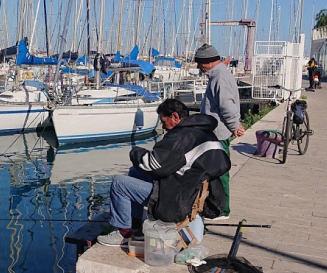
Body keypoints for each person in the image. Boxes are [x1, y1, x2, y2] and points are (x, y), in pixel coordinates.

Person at [97, 99, 231, 246]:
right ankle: (136, 226)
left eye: (164, 121)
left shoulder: (181, 137)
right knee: (135, 171)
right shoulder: (205, 133)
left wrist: (135, 151)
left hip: (177, 200)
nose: (164, 127)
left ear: (175, 117)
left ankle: (124, 234)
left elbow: (152, 164)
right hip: (193, 192)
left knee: (119, 183)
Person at [194, 44, 244, 220]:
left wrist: (234, 126)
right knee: (214, 170)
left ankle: (223, 210)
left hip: (219, 133)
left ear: (208, 62)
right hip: (215, 131)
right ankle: (215, 205)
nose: (198, 67)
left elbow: (226, 105)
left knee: (220, 171)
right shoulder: (218, 74)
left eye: (199, 63)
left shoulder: (220, 77)